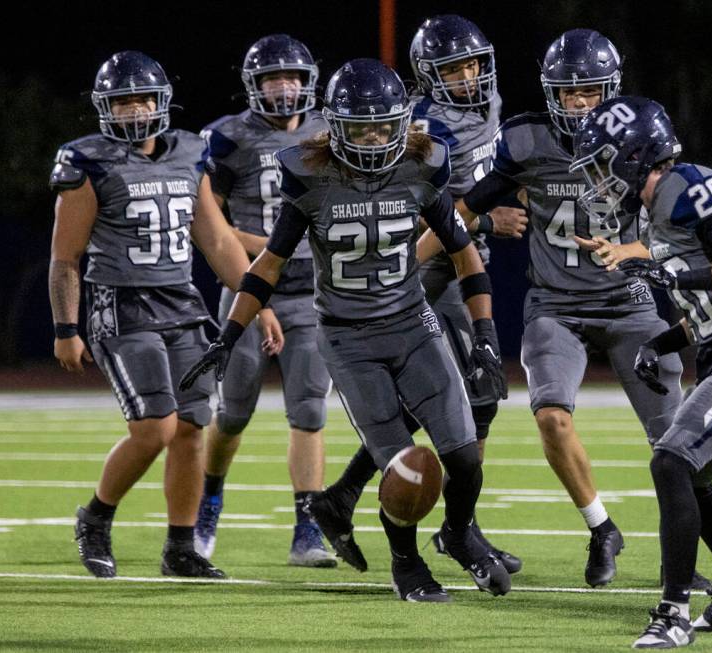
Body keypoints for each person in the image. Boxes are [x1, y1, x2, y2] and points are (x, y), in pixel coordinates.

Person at [179, 58, 511, 602]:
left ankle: (456, 533)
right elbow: (268, 266)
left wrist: (486, 337)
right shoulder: (309, 175)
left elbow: (464, 253)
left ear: (403, 121)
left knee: (466, 455)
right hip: (347, 337)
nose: (376, 137)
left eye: (385, 124)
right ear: (335, 128)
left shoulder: (424, 164)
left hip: (413, 324)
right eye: (361, 127)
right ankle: (406, 567)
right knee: (402, 465)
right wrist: (228, 335)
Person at [448, 29, 686, 588]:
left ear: (614, 91)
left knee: (678, 446)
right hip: (555, 303)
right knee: (551, 416)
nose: (579, 104)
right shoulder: (527, 142)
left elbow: (676, 233)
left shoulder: (639, 142)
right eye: (568, 92)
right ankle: (602, 528)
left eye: (591, 93)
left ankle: (695, 560)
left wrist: (633, 250)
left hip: (627, 301)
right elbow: (462, 206)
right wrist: (477, 223)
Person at [571, 95, 712, 648]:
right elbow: (708, 303)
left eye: (604, 162)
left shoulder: (686, 186)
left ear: (633, 155)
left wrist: (665, 275)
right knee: (691, 476)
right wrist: (666, 340)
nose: (601, 178)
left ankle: (672, 611)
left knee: (671, 462)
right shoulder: (658, 205)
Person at [304, 14, 526, 575]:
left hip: (461, 265)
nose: (468, 75)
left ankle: (342, 498)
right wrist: (480, 220)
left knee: (452, 399)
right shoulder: (426, 129)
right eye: (453, 67)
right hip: (427, 271)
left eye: (474, 63)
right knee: (466, 395)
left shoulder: (488, 106)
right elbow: (422, 222)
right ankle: (457, 531)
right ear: (428, 74)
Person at [48, 50, 281, 579]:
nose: (133, 111)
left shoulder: (188, 153)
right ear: (104, 108)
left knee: (193, 427)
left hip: (181, 302)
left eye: (142, 100)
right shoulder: (87, 162)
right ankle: (96, 517)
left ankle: (181, 548)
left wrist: (256, 302)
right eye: (122, 102)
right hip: (122, 306)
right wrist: (66, 327)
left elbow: (218, 240)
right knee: (155, 426)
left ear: (162, 102)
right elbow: (66, 258)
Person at [194, 34, 336, 568]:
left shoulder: (330, 131)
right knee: (233, 413)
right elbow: (211, 225)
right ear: (254, 85)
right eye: (272, 78)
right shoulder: (228, 139)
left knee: (309, 411)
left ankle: (307, 530)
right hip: (250, 290)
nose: (283, 88)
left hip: (313, 292)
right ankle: (209, 498)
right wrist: (270, 249)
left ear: (308, 82)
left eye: (292, 78)